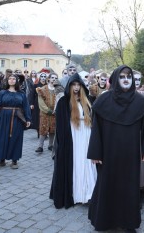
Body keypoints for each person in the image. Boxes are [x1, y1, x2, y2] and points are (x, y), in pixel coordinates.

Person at [87, 65, 144, 231]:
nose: (126, 79)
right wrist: (95, 152)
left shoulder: (140, 102)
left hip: (130, 153)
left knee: (129, 186)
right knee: (107, 184)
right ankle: (104, 220)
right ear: (116, 79)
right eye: (122, 76)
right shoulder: (103, 101)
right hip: (107, 152)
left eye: (128, 77)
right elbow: (96, 129)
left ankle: (128, 222)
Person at [50, 73, 97, 209]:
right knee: (76, 162)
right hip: (73, 135)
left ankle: (89, 193)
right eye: (73, 85)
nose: (76, 88)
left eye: (78, 85)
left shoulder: (87, 100)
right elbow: (60, 125)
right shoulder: (64, 102)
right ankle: (76, 194)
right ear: (70, 86)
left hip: (86, 133)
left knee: (87, 162)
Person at [0, 74, 31, 169]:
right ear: (7, 81)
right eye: (10, 78)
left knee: (16, 138)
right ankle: (2, 158)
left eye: (14, 79)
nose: (12, 80)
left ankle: (14, 160)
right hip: (3, 118)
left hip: (17, 118)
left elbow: (26, 107)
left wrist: (28, 119)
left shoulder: (21, 94)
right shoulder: (2, 93)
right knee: (2, 137)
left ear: (17, 81)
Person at [35, 73, 58, 153]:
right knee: (43, 128)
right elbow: (41, 103)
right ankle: (40, 146)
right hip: (45, 113)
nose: (54, 79)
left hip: (54, 113)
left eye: (55, 78)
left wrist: (55, 110)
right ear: (49, 79)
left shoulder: (57, 89)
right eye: (52, 77)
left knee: (52, 129)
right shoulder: (42, 89)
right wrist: (48, 110)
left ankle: (50, 145)